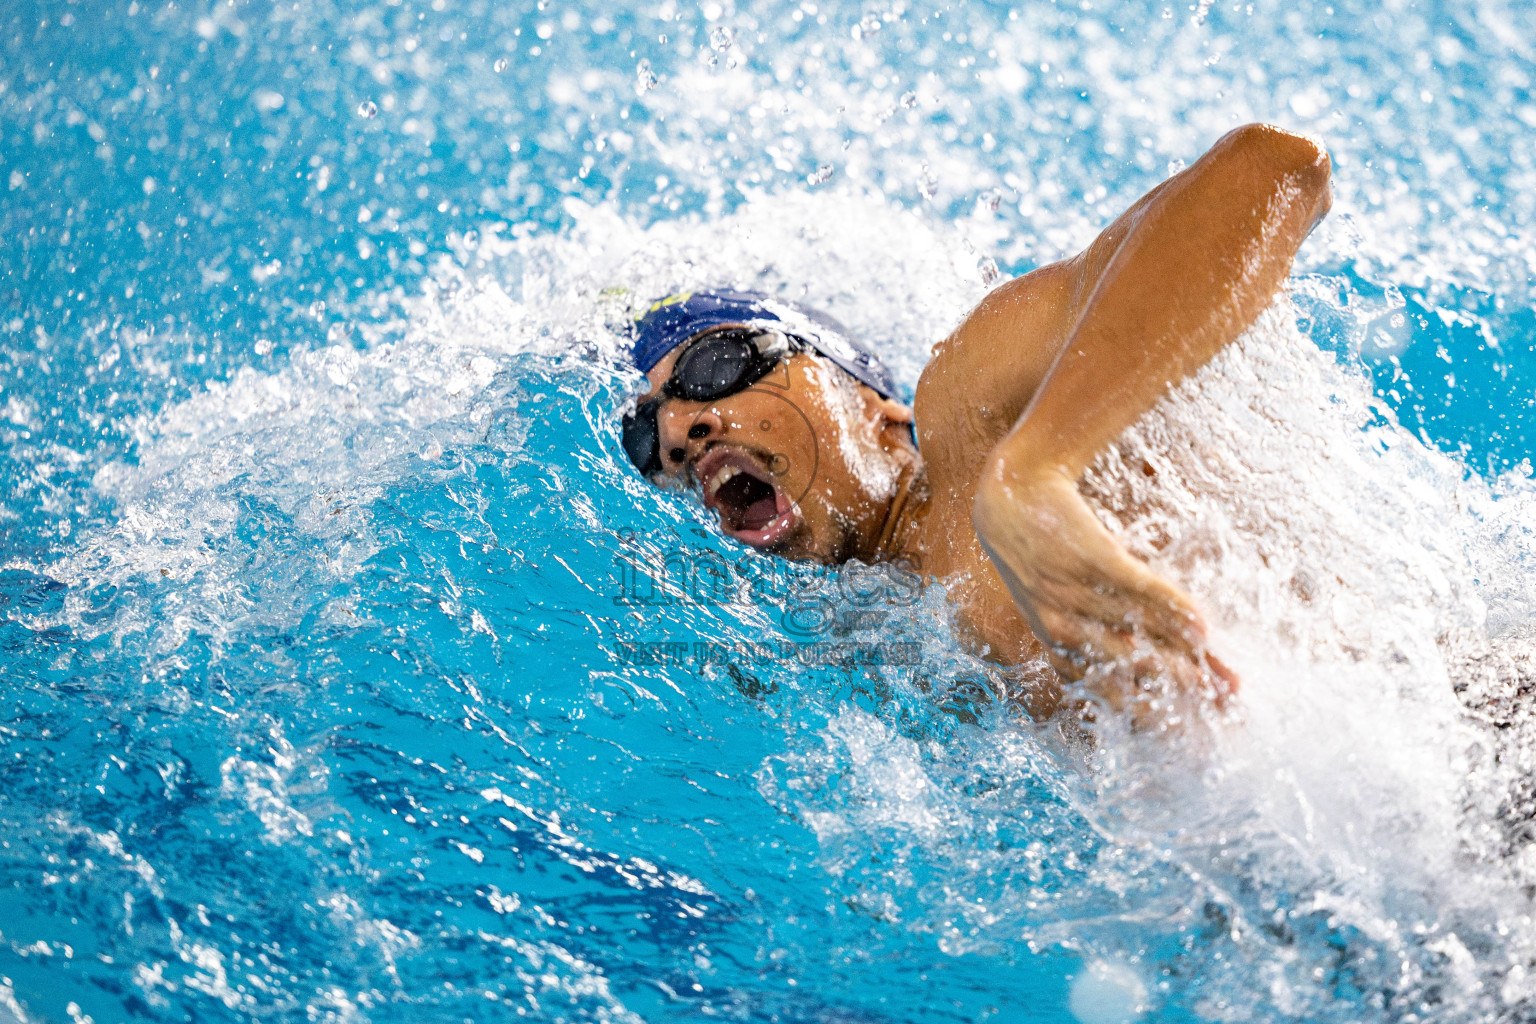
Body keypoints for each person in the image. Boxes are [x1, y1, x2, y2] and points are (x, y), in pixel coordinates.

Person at [620, 123, 1333, 725]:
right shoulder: (886, 668)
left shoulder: (971, 414)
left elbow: (1274, 167)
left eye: (716, 366)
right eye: (648, 436)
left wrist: (1036, 472)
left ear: (873, 407)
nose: (680, 431)